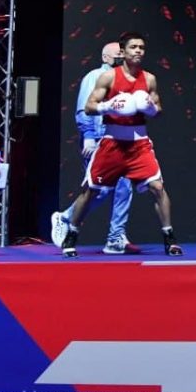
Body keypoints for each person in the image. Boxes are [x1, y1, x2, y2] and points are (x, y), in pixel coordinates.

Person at [59, 31, 183, 258]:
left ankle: (169, 238)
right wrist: (109, 106)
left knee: (157, 187)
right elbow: (88, 106)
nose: (138, 51)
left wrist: (150, 108)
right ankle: (71, 234)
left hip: (139, 144)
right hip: (112, 143)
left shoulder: (149, 79)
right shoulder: (108, 77)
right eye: (134, 47)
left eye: (141, 47)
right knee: (91, 190)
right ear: (123, 52)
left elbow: (159, 110)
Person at [50, 41, 140, 254]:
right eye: (118, 53)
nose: (122, 56)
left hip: (122, 140)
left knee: (125, 187)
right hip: (99, 139)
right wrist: (89, 137)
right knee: (100, 189)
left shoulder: (126, 79)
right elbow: (84, 108)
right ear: (106, 58)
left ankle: (116, 236)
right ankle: (65, 217)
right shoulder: (95, 76)